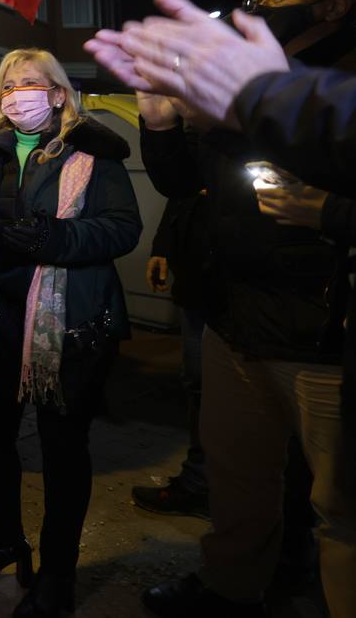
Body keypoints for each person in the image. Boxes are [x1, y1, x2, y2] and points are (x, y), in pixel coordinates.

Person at [116, 0, 354, 617]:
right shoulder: (236, 84)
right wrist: (159, 119)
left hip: (323, 335)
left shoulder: (341, 86)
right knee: (238, 480)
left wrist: (328, 214)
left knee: (340, 508)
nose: (263, 6)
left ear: (333, 6)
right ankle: (231, 587)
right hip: (235, 319)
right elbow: (185, 184)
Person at [0, 48, 141, 618]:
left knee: (62, 448)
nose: (15, 94)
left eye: (29, 83)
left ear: (58, 93)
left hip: (68, 319)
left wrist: (52, 240)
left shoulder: (93, 150)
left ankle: (58, 575)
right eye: (8, 85)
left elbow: (122, 228)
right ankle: (4, 542)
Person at [132, 194, 213, 520]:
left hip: (244, 288)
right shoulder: (206, 147)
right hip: (199, 283)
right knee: (199, 382)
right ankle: (200, 482)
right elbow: (181, 191)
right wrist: (163, 246)